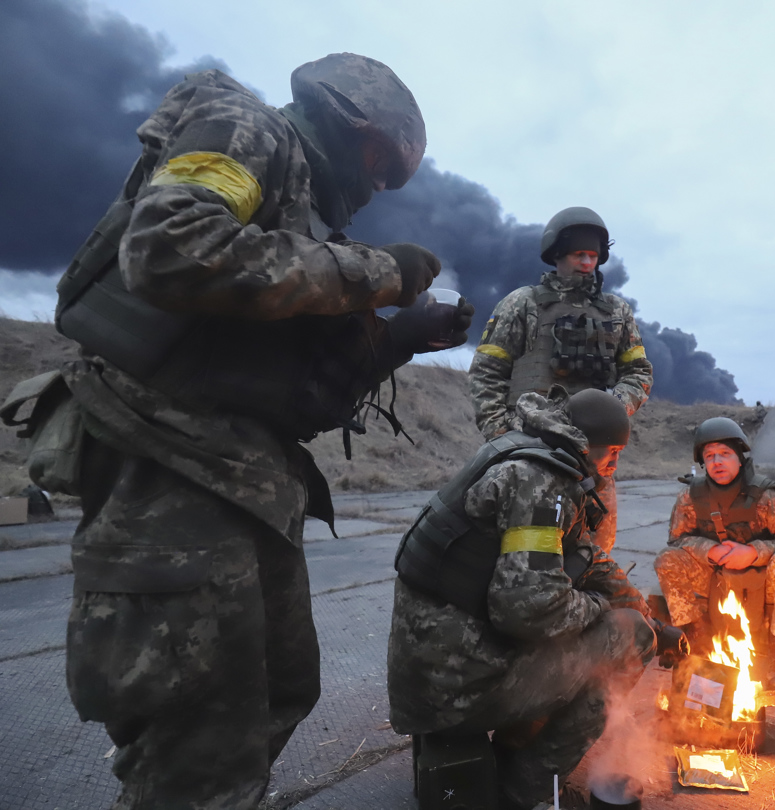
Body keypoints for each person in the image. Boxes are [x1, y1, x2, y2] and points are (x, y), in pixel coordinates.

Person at [16, 54, 472, 809]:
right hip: (168, 469)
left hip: (247, 486)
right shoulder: (245, 129)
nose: (378, 188)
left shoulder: (307, 231)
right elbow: (171, 248)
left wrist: (398, 338)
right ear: (348, 122)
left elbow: (299, 398)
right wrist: (378, 272)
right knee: (196, 741)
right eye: (381, 165)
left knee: (273, 698)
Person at [388, 388, 684, 810]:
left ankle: (515, 752)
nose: (616, 463)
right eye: (612, 451)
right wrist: (617, 614)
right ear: (587, 445)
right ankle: (524, 789)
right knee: (630, 639)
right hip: (456, 690)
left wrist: (639, 605)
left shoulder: (528, 451)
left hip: (434, 673)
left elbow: (584, 554)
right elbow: (529, 609)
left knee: (626, 622)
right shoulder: (542, 483)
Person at [467, 207, 653, 553]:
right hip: (530, 447)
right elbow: (486, 371)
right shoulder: (523, 304)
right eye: (578, 254)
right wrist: (501, 432)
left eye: (593, 255)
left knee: (594, 555)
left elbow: (639, 372)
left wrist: (612, 409)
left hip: (593, 457)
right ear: (557, 254)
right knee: (524, 549)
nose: (586, 262)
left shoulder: (616, 312)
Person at [653, 417, 775, 690]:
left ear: (740, 458)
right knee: (667, 561)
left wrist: (753, 552)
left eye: (725, 454)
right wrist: (708, 549)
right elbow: (677, 541)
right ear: (703, 462)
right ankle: (698, 644)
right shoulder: (690, 497)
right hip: (713, 574)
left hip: (763, 578)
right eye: (710, 456)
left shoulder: (769, 496)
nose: (717, 462)